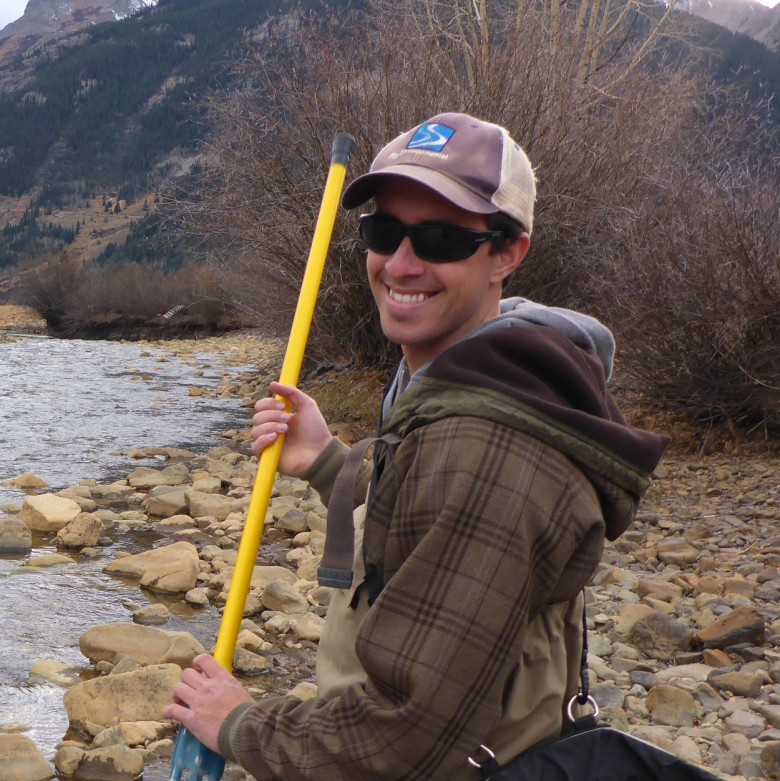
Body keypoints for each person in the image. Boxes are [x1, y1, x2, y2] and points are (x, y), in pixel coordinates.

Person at [163, 112, 669, 780]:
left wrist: (239, 723)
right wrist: (330, 464)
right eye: (384, 231)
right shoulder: (468, 381)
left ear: (508, 251)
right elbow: (425, 524)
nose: (400, 262)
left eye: (439, 237)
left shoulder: (491, 447)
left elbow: (403, 738)